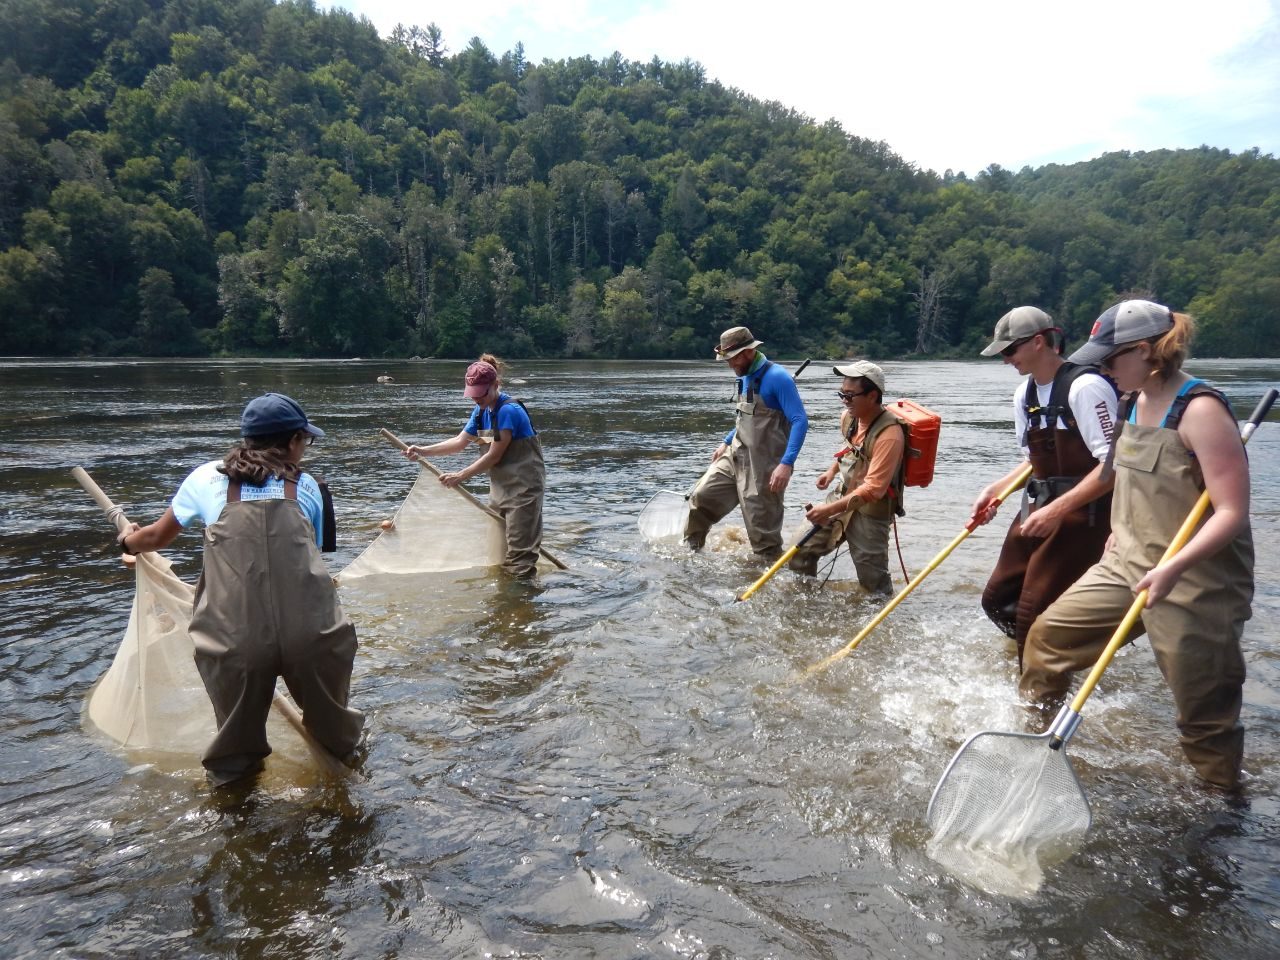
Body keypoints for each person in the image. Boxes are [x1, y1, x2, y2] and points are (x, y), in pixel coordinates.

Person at [1022, 301, 1254, 790]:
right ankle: (1033, 746)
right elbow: (1116, 476)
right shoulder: (1130, 401)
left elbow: (1232, 513)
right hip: (1126, 563)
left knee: (1203, 716)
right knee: (1047, 640)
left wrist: (1173, 568)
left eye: (1111, 361)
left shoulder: (1202, 410)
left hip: (1194, 578)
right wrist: (1115, 532)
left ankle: (1221, 813)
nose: (1103, 371)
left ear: (1147, 351)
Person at [116, 393, 364, 787]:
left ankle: (237, 819)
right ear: (295, 440)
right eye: (306, 441)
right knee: (338, 738)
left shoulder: (202, 478)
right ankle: (342, 794)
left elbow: (156, 538)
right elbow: (313, 557)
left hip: (233, 639)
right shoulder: (311, 487)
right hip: (312, 634)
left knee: (233, 760)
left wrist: (128, 542)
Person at [969, 305, 1119, 664]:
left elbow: (1114, 468)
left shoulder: (1086, 387)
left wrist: (1057, 509)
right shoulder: (1025, 395)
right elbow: (1032, 462)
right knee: (997, 600)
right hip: (1040, 509)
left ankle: (1038, 690)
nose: (1006, 360)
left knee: (1031, 611)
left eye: (1010, 351)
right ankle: (1043, 661)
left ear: (1039, 342)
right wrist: (998, 490)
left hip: (1086, 517)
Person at [405, 354, 545, 578]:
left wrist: (460, 475)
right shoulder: (481, 411)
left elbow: (493, 457)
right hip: (500, 488)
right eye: (473, 395)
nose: (476, 400)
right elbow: (459, 442)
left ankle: (521, 602)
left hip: (524, 490)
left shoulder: (508, 411)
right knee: (498, 549)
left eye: (481, 394)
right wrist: (422, 450)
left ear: (495, 385)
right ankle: (506, 597)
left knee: (520, 559)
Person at [684, 326, 809, 561]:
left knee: (763, 537)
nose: (730, 364)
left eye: (732, 358)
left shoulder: (778, 378)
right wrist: (726, 441)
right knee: (701, 498)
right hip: (735, 455)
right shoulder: (745, 376)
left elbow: (800, 421)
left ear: (749, 352)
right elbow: (748, 417)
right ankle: (690, 556)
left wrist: (787, 464)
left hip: (763, 467)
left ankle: (770, 583)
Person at [789, 361, 905, 594]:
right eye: (842, 394)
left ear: (872, 396)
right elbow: (851, 447)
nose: (844, 400)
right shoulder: (849, 418)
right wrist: (832, 472)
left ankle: (879, 620)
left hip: (872, 510)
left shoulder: (890, 435)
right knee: (799, 550)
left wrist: (828, 511)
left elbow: (874, 489)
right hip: (842, 496)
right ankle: (806, 604)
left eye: (850, 396)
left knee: (874, 584)